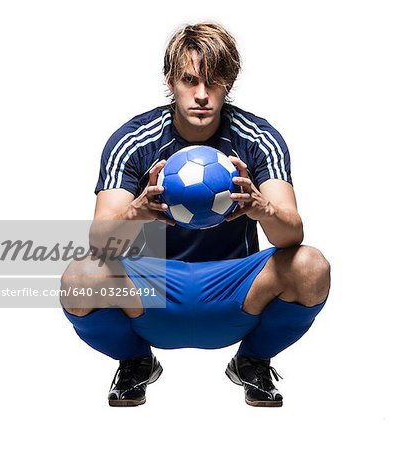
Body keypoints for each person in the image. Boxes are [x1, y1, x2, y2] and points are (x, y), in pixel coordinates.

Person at [60, 22, 331, 407]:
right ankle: (135, 361)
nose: (202, 95)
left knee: (311, 265)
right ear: (170, 81)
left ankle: (252, 361)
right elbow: (99, 242)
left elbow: (290, 236)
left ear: (228, 84)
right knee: (80, 275)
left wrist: (261, 206)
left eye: (214, 82)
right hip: (154, 294)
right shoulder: (134, 140)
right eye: (190, 80)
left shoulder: (257, 137)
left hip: (233, 291)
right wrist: (138, 211)